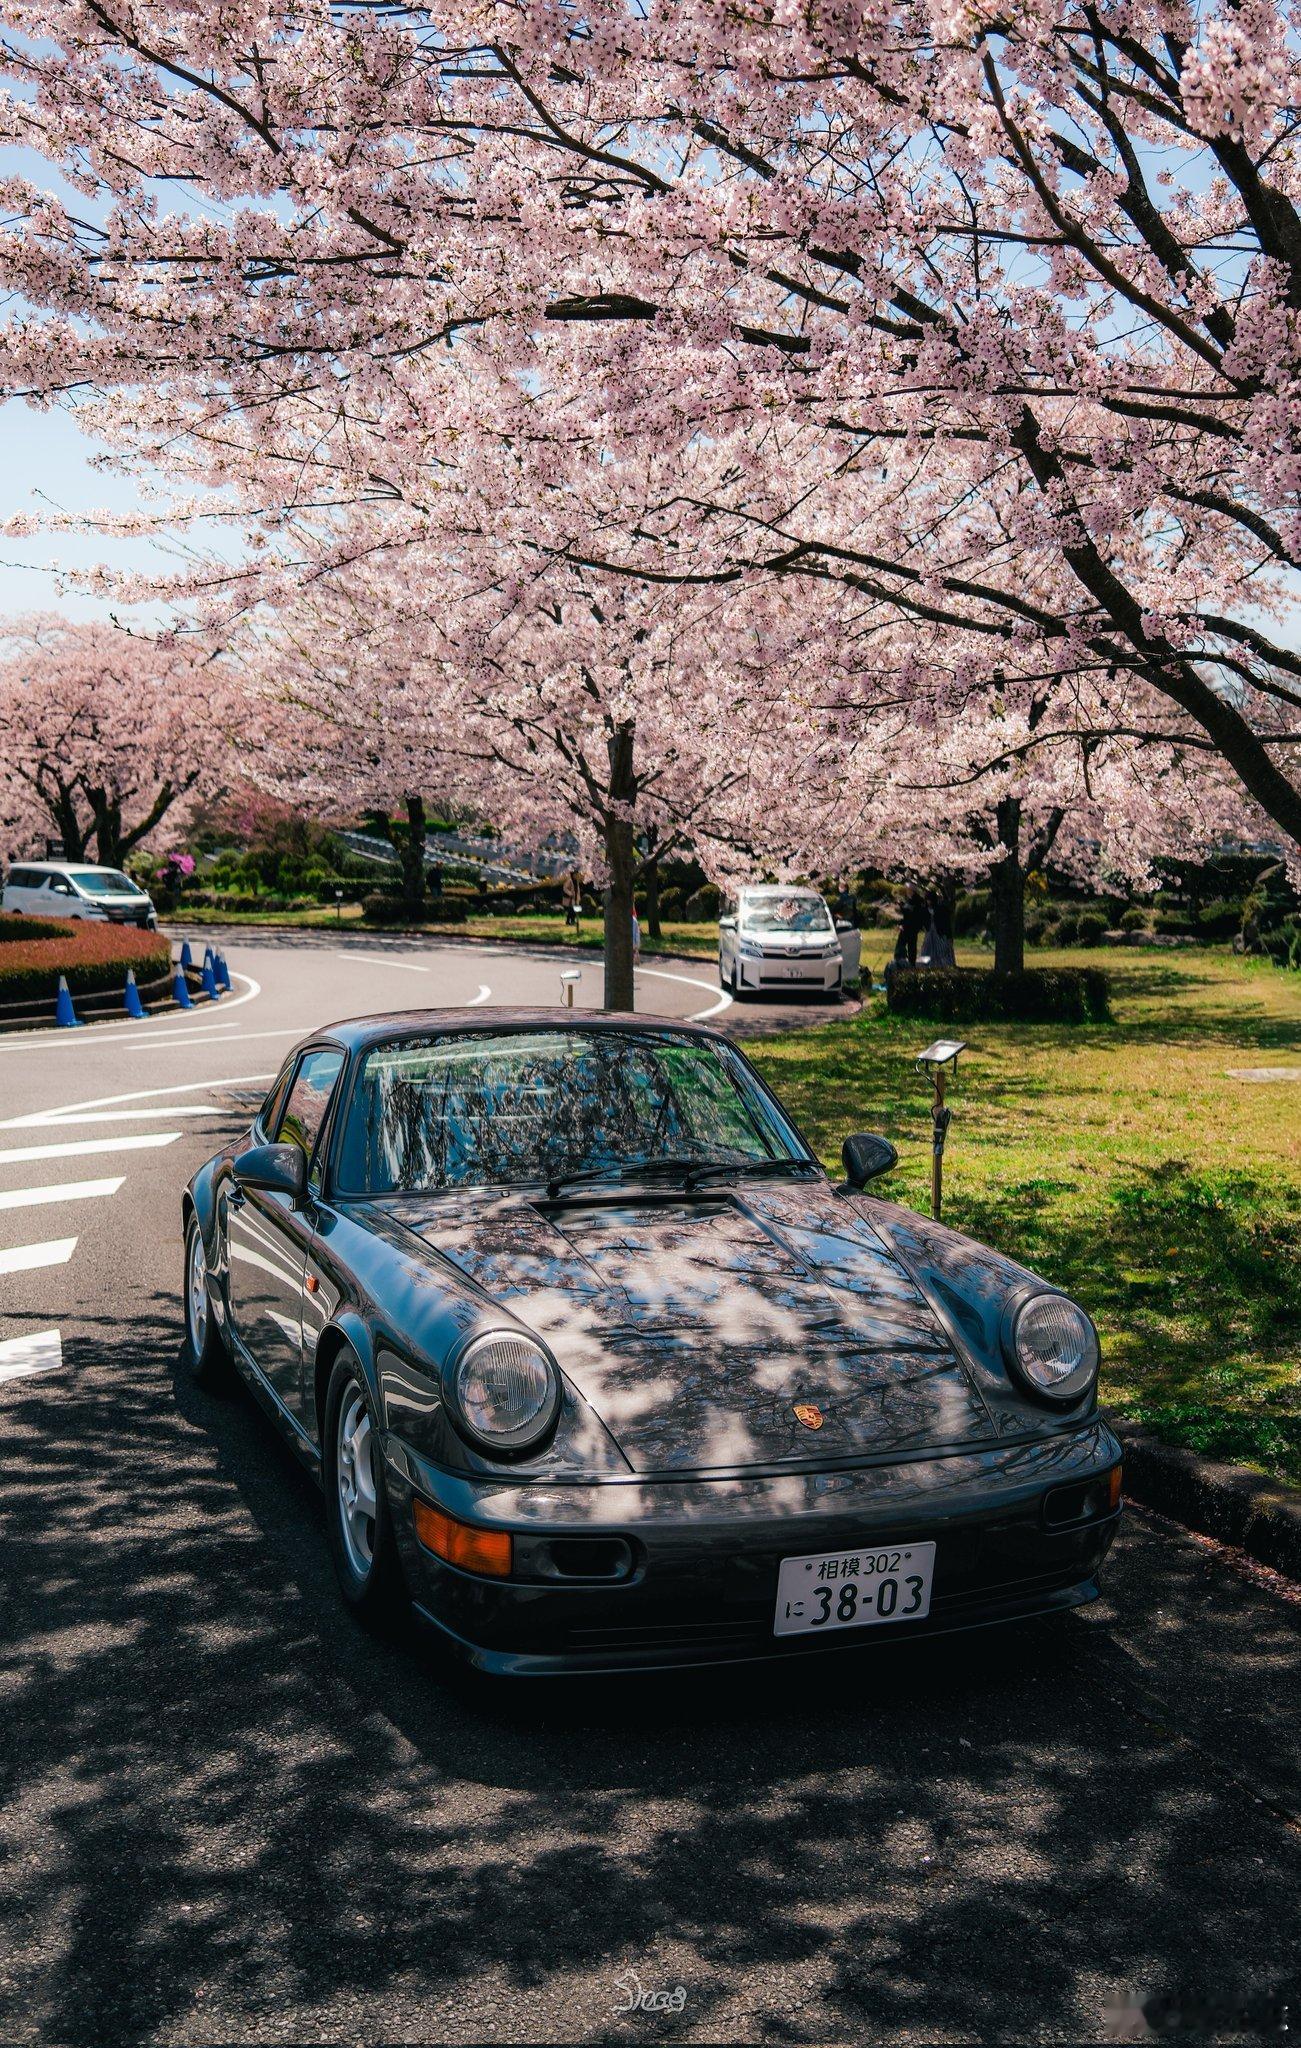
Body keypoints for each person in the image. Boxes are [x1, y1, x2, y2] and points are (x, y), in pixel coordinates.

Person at [898, 882, 930, 966]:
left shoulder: (917, 900)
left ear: (912, 890)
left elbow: (912, 913)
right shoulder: (910, 899)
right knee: (908, 945)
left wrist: (902, 908)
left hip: (911, 926)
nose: (907, 891)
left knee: (908, 945)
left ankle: (907, 963)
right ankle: (906, 962)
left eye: (908, 889)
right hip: (908, 926)